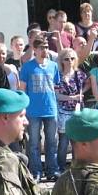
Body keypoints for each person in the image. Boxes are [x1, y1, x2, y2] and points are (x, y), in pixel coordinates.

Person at [20, 38, 60, 181]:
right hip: (33, 110)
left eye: (47, 47)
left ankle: (52, 170)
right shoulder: (27, 67)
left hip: (50, 109)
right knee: (34, 143)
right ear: (35, 50)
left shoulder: (53, 66)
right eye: (42, 47)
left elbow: (55, 86)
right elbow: (22, 89)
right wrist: (23, 109)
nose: (45, 50)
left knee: (51, 142)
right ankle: (36, 171)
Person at [54, 47, 88, 170]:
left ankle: (76, 166)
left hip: (77, 111)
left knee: (76, 141)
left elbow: (89, 83)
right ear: (61, 61)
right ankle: (61, 167)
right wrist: (73, 98)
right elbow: (56, 95)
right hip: (63, 111)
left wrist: (81, 93)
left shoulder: (79, 74)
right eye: (66, 59)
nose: (69, 61)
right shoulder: (57, 75)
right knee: (63, 141)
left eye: (72, 58)